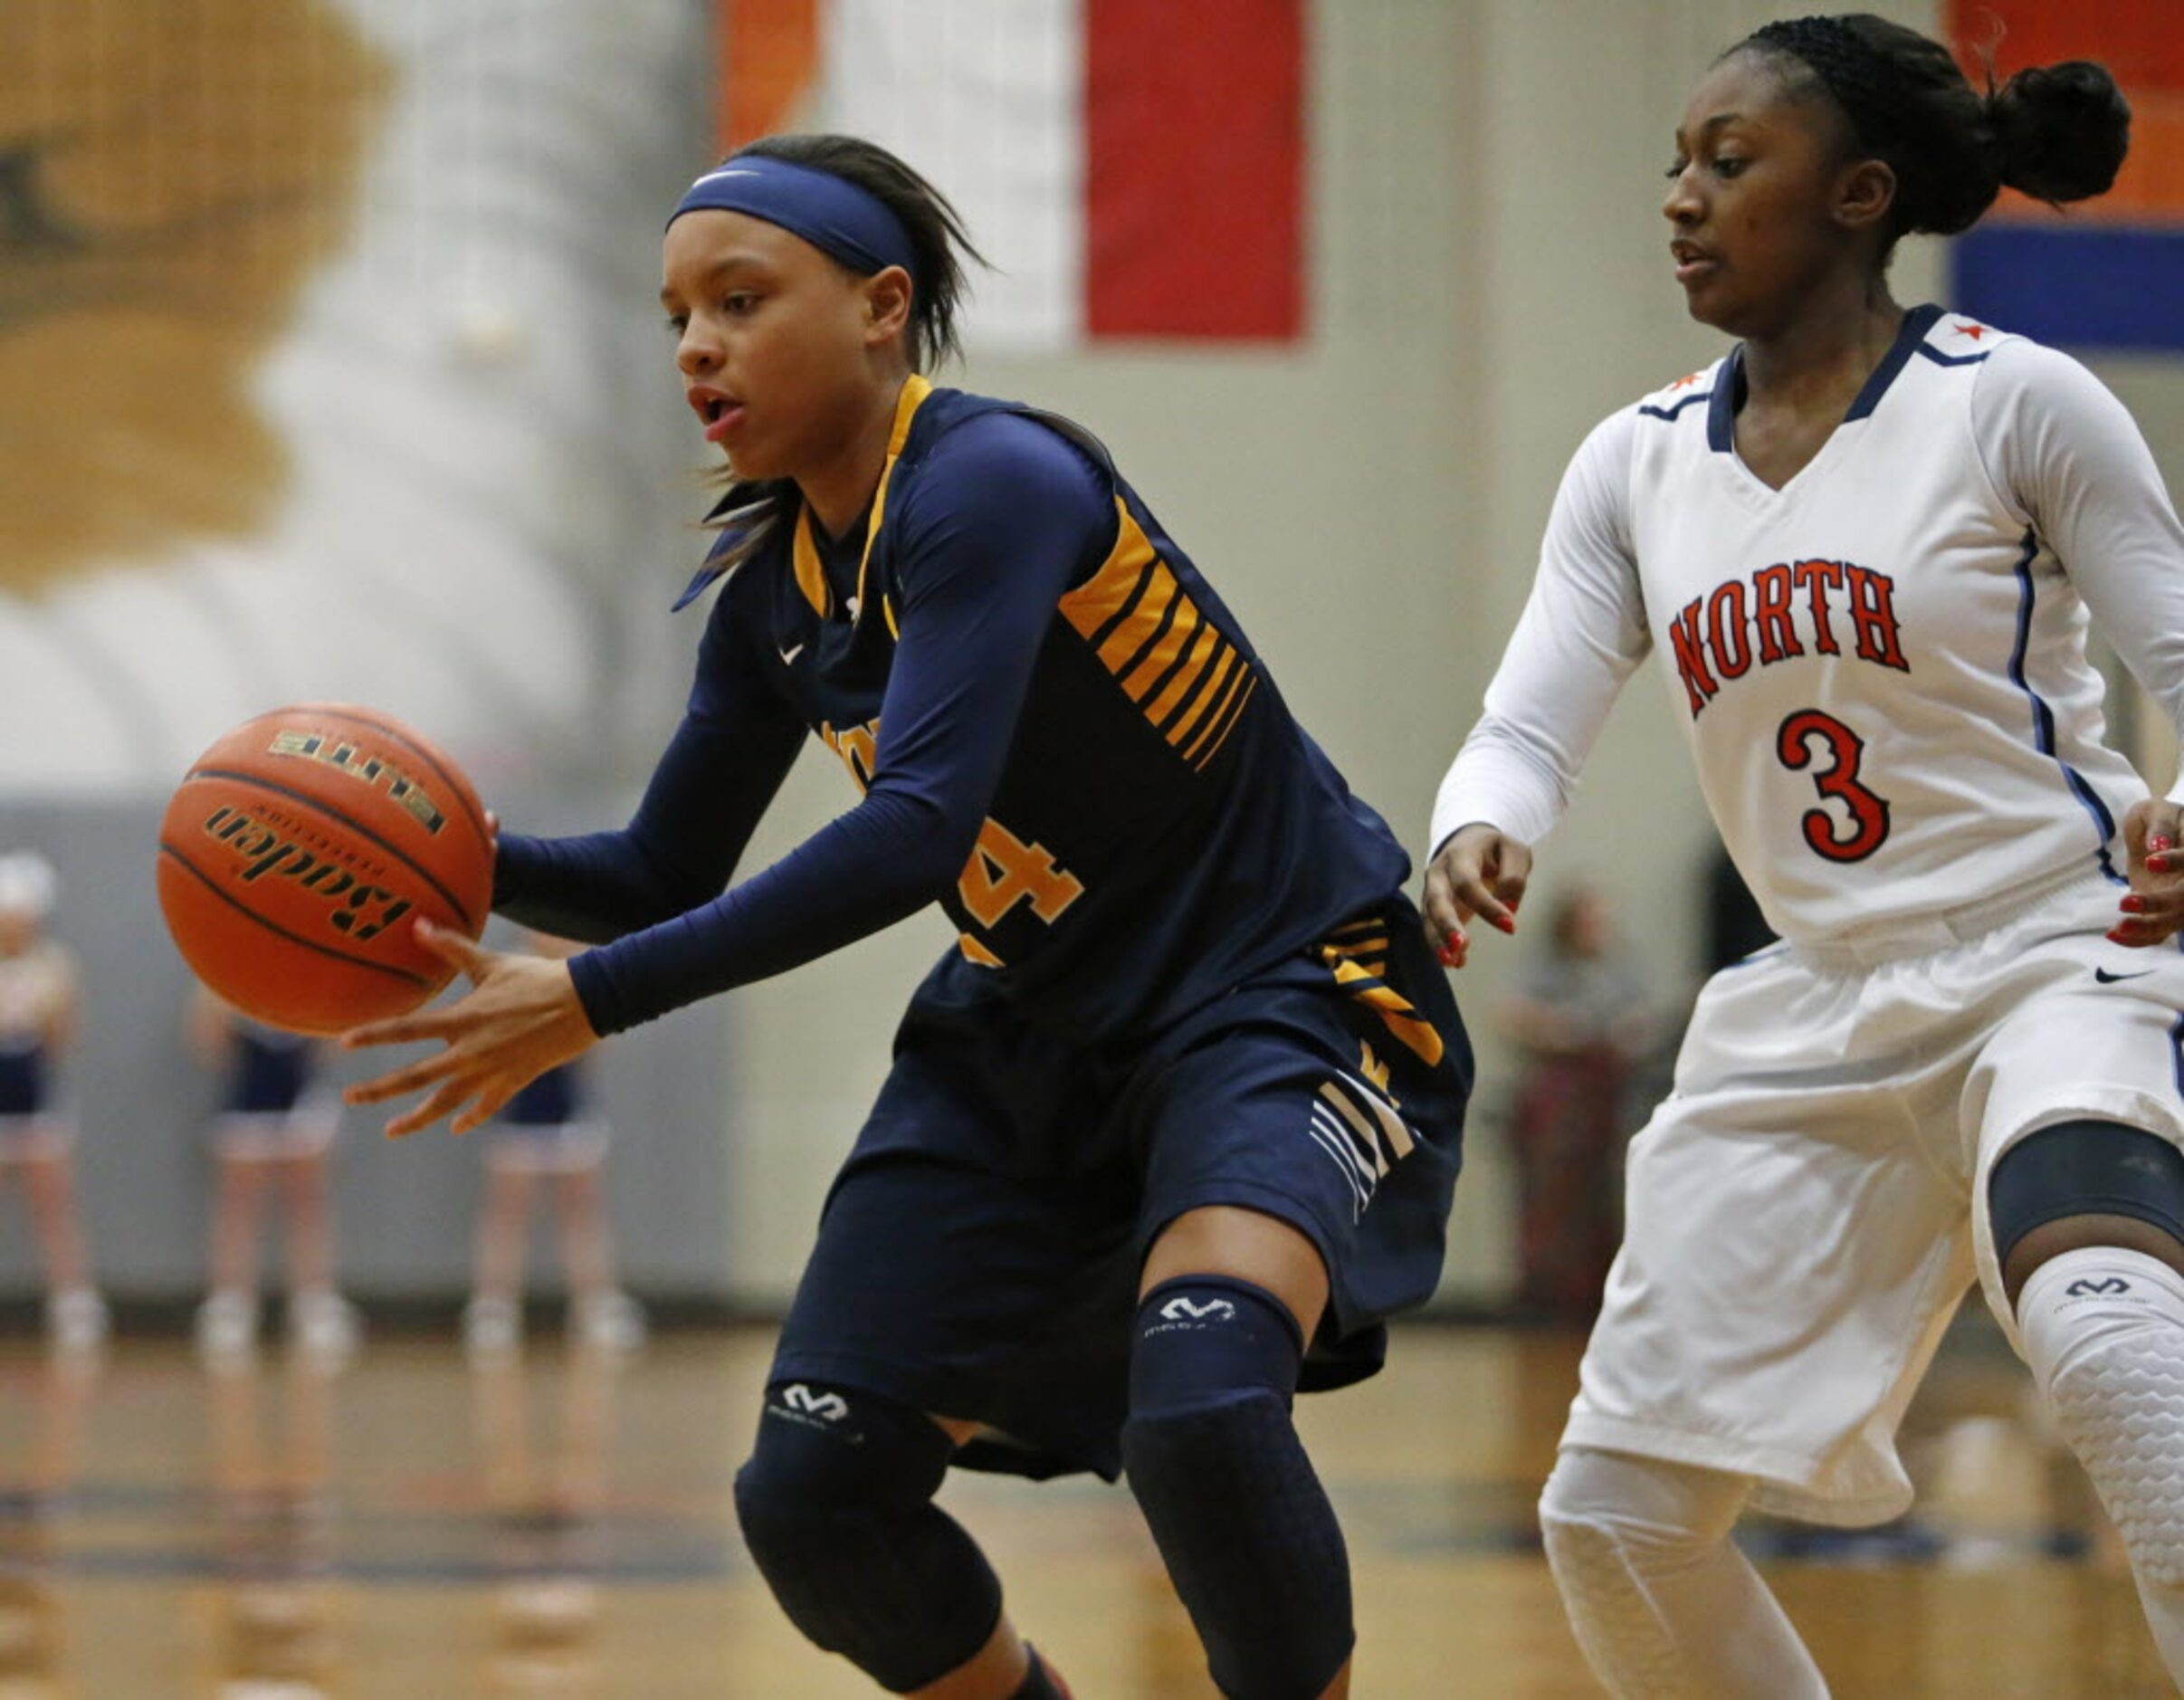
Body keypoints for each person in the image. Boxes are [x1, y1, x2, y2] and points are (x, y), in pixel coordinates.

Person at [341, 133, 1471, 1700]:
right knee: (813, 1496)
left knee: (1205, 1405)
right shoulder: (773, 593)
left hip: (1268, 986)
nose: (696, 345)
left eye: (739, 299)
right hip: (1026, 1034)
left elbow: (908, 834)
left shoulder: (990, 479)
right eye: (675, 314)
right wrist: (440, 858)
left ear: (882, 308)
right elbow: (661, 868)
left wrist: (590, 999)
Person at [1424, 14, 2184, 1693]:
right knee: (1617, 1517)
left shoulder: (2013, 403)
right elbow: (1528, 721)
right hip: (1812, 1005)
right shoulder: (1631, 461)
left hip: (2053, 948)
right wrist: (1478, 824)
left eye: (1726, 160)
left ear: (1856, 195)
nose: (1682, 198)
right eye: (1674, 165)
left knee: (2109, 1336)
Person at [463, 932, 644, 1361]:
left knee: (582, 1211)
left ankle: (595, 1306)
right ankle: (494, 1309)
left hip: (569, 1109)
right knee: (507, 1211)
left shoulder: (582, 972)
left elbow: (598, 1042)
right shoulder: (509, 972)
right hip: (517, 1109)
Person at [1496, 886, 1656, 1323]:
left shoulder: (1620, 971)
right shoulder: (1544, 969)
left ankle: (1600, 1296)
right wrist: (1560, 1029)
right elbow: (1512, 1014)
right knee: (1551, 1200)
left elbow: (1645, 1022)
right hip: (1558, 1101)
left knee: (1605, 1200)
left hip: (1608, 1100)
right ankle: (1546, 1298)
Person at [187, 987, 359, 1365]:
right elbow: (206, 1044)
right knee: (238, 1206)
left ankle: (315, 1302)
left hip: (302, 1099)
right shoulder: (219, 977)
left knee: (307, 1204)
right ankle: (231, 1305)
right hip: (246, 1099)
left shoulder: (315, 970)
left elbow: (336, 1040)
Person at [0, 853, 105, 1353]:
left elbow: (66, 1039)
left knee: (53, 1208)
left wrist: (38, 1013)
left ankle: (72, 1303)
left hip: (37, 1106)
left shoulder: (54, 965)